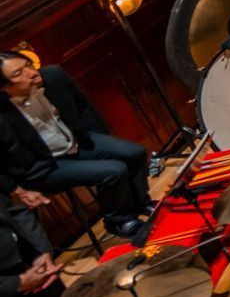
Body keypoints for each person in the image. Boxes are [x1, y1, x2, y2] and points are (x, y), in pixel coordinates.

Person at [0, 51, 154, 234]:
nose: (31, 72)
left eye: (28, 65)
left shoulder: (53, 75)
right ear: (4, 88)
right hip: (44, 166)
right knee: (114, 170)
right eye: (18, 74)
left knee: (134, 152)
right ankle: (118, 221)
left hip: (74, 142)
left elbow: (84, 108)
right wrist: (16, 191)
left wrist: (101, 139)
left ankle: (141, 203)